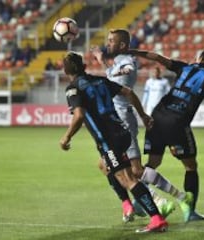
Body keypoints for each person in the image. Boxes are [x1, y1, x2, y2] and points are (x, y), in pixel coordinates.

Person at [127, 48, 204, 221]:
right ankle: (189, 211)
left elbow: (157, 57)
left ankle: (139, 200)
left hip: (157, 116)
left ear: (200, 58)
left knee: (154, 162)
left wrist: (133, 51)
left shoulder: (184, 67)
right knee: (190, 166)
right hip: (177, 122)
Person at [59, 51, 168, 233]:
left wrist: (66, 137)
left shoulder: (73, 88)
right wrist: (142, 114)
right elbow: (128, 92)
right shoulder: (100, 80)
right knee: (104, 165)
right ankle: (127, 204)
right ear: (84, 66)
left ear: (66, 69)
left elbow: (79, 115)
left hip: (108, 139)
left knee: (127, 179)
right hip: (122, 132)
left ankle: (156, 219)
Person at [90, 29, 176, 223]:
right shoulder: (115, 61)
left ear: (121, 45)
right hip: (115, 119)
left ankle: (161, 200)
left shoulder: (126, 60)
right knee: (105, 165)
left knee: (134, 170)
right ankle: (134, 203)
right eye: (108, 40)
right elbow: (111, 69)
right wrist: (100, 57)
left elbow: (127, 71)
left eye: (112, 41)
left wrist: (109, 74)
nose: (108, 43)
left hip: (123, 119)